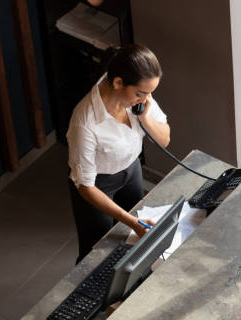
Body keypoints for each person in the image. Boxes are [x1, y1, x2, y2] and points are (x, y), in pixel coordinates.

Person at [67, 44, 171, 263]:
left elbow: (164, 139)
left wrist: (145, 117)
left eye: (149, 93)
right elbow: (85, 186)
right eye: (141, 94)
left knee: (134, 239)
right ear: (117, 83)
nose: (145, 99)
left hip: (131, 171)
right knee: (95, 253)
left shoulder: (140, 97)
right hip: (97, 185)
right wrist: (131, 221)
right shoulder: (84, 122)